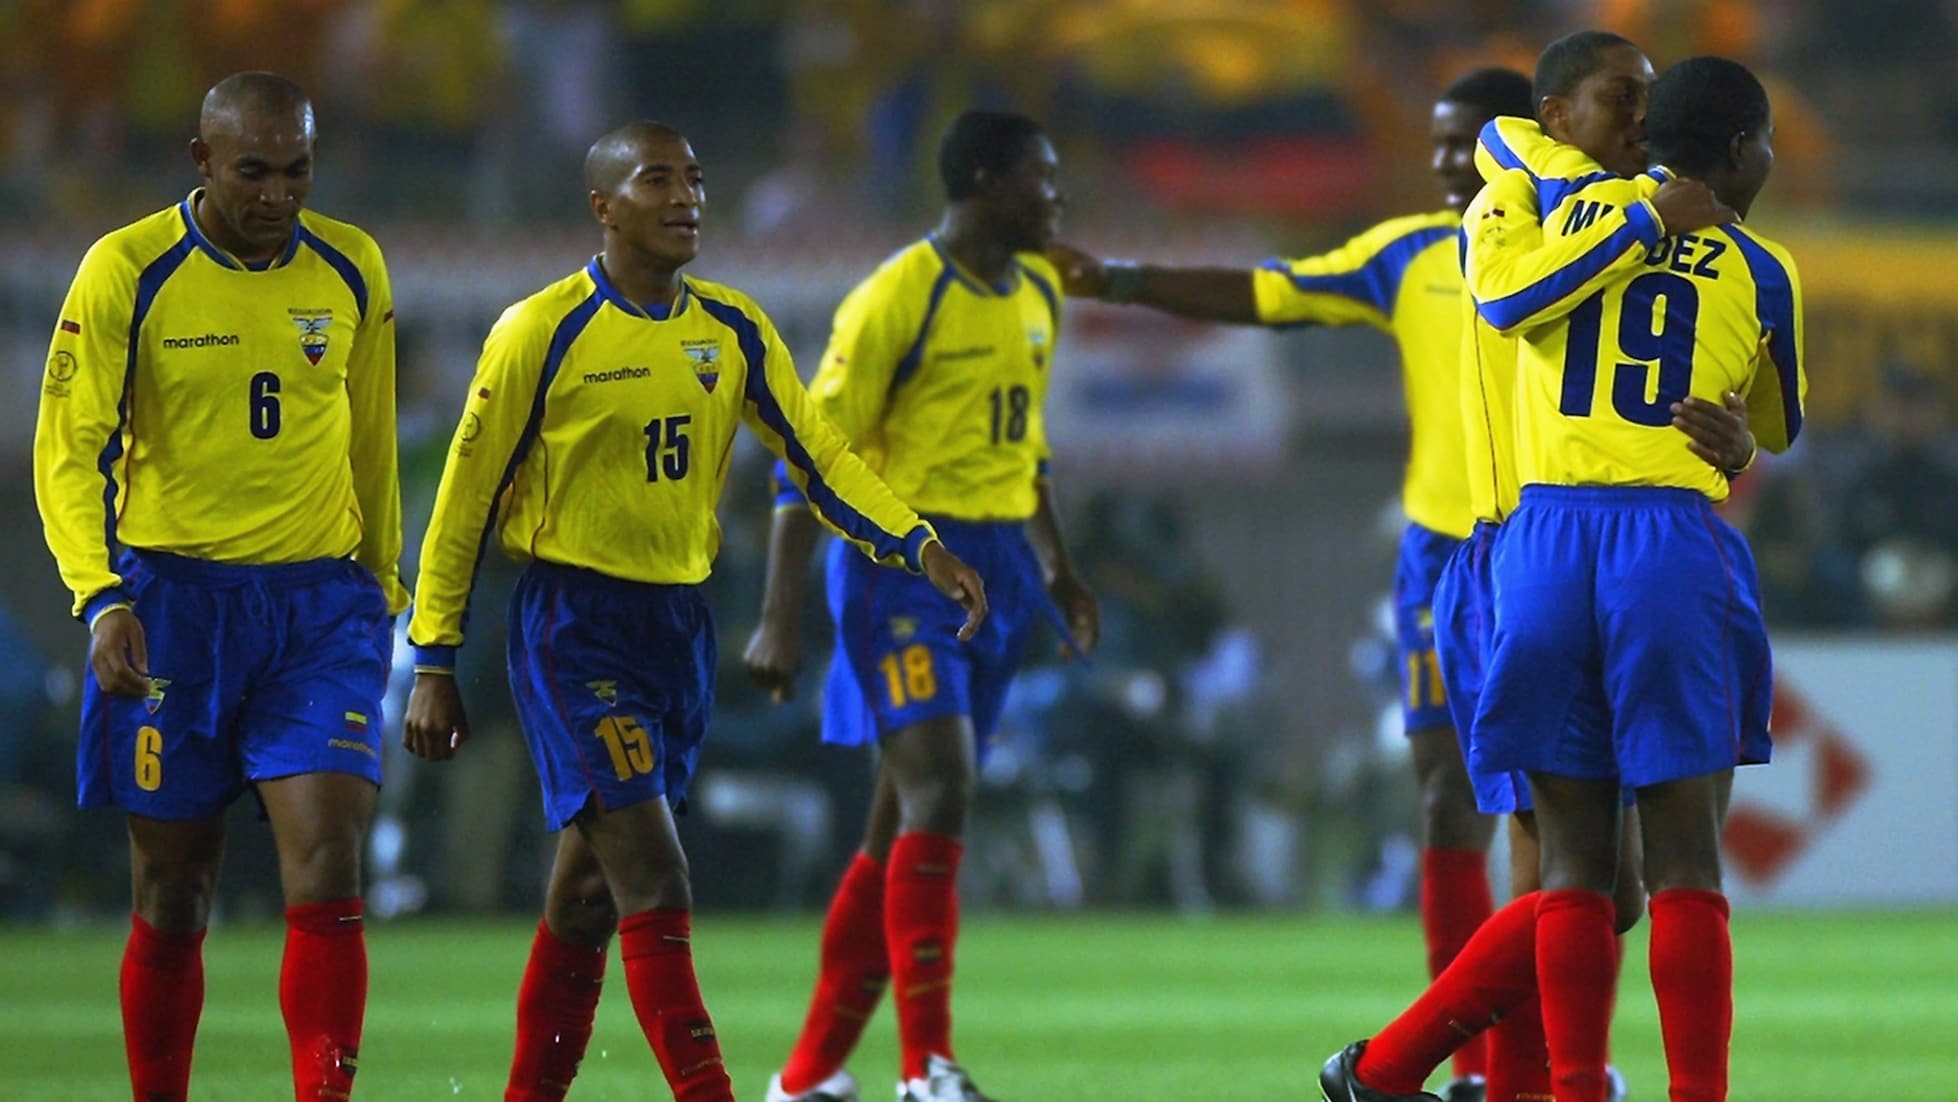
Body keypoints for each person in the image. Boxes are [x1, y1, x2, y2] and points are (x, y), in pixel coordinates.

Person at [401, 120, 986, 1102]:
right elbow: (462, 505)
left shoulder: (733, 329)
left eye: (695, 179)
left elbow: (821, 458)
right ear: (602, 206)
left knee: (586, 897)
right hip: (572, 628)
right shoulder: (540, 331)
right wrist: (433, 658)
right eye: (657, 180)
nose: (685, 198)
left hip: (678, 631)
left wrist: (919, 544)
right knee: (656, 879)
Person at [1046, 67, 1537, 1099]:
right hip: (1442, 560)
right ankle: (1473, 1068)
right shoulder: (1407, 255)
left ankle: (1550, 1064)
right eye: (1439, 143)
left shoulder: (1578, 249)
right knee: (1446, 799)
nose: (1451, 162)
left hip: (1549, 549)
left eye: (1472, 142)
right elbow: (1271, 295)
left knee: (1556, 820)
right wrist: (1123, 280)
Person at [1322, 53, 1798, 1102]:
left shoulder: (1551, 209)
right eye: (1612, 97)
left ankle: (1470, 1077)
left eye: (1640, 103)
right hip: (1653, 542)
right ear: (1740, 148)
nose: (1627, 115)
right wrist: (1738, 439)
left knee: (1579, 873)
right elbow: (1780, 418)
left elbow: (1510, 164)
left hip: (1532, 551)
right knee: (1679, 863)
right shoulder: (1748, 259)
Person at [32, 72, 408, 1102]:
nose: (279, 194)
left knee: (329, 860)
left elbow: (371, 438)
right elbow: (67, 449)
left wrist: (382, 586)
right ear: (201, 162)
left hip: (320, 610)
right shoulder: (126, 269)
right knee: (174, 888)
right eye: (254, 172)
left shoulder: (352, 264)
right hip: (174, 608)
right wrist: (101, 597)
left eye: (298, 171)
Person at [742, 109, 1098, 1102]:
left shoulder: (1038, 291)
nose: (1056, 197)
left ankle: (806, 1077)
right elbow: (810, 457)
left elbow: (1022, 451)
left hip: (1001, 570)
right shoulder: (896, 296)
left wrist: (1058, 569)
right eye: (1040, 178)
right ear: (984, 182)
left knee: (895, 822)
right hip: (902, 566)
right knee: (941, 787)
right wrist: (780, 612)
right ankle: (924, 1069)